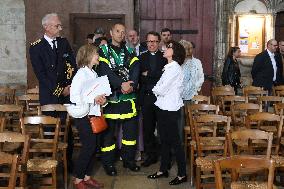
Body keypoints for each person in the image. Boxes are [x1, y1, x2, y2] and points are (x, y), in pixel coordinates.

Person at [29, 13, 77, 171]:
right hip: (50, 96)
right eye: (57, 26)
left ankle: (68, 162)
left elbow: (71, 65)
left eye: (60, 25)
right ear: (46, 27)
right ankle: (51, 162)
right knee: (51, 130)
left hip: (66, 95)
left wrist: (69, 86)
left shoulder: (63, 43)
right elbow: (41, 75)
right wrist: (59, 90)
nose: (60, 28)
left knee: (66, 129)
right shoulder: (36, 47)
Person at [97, 23, 140, 176]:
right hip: (111, 101)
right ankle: (108, 164)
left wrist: (131, 85)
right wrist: (121, 84)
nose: (121, 34)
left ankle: (129, 161)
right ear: (111, 33)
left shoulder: (130, 50)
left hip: (129, 100)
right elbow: (105, 71)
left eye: (123, 32)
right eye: (117, 31)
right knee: (108, 136)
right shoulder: (103, 51)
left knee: (130, 135)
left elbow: (136, 69)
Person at [148, 40, 187, 185]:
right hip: (163, 107)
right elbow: (160, 87)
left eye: (168, 47)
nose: (164, 48)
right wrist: (158, 89)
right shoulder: (168, 67)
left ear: (174, 52)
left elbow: (160, 89)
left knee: (175, 142)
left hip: (170, 109)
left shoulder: (174, 68)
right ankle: (163, 169)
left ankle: (182, 174)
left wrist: (156, 89)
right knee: (163, 141)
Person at [70, 44, 105, 189]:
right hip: (83, 115)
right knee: (88, 147)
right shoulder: (81, 74)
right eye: (96, 53)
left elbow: (94, 94)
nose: (98, 56)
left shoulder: (93, 73)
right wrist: (93, 99)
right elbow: (75, 96)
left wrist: (103, 99)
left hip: (93, 115)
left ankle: (87, 176)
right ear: (89, 56)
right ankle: (78, 180)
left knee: (94, 146)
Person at [139, 31, 167, 167]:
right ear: (146, 42)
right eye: (149, 41)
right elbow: (140, 77)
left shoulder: (165, 57)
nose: (152, 44)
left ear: (159, 42)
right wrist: (154, 75)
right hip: (147, 98)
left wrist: (148, 74)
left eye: (155, 41)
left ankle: (164, 154)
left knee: (163, 128)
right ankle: (151, 156)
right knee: (148, 129)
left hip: (162, 98)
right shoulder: (141, 58)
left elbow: (165, 77)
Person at [179, 40, 204, 141]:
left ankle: (192, 143)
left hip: (192, 95)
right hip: (179, 97)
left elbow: (201, 78)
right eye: (185, 49)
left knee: (190, 121)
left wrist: (194, 87)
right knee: (180, 122)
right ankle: (181, 144)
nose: (188, 51)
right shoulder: (178, 62)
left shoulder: (197, 62)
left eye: (189, 48)